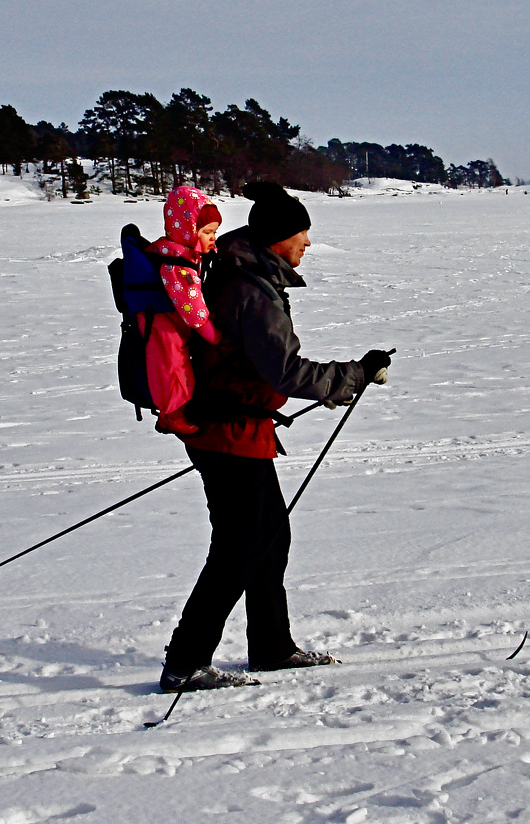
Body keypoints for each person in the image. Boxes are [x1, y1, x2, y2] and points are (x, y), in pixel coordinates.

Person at [159, 181, 393, 692]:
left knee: (268, 537)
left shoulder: (247, 276)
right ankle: (185, 662)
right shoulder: (249, 289)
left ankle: (271, 646)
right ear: (276, 239)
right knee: (241, 544)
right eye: (301, 233)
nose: (308, 242)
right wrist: (352, 375)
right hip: (227, 431)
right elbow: (284, 371)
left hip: (238, 427)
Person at [144, 186, 222, 436]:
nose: (213, 238)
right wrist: (214, 335)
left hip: (168, 320)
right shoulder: (177, 266)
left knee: (177, 365)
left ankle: (177, 409)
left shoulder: (182, 254)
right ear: (188, 230)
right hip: (162, 324)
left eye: (214, 232)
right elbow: (193, 310)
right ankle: (172, 415)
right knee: (172, 367)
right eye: (207, 232)